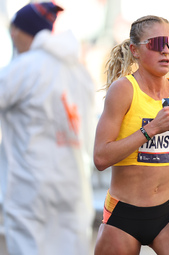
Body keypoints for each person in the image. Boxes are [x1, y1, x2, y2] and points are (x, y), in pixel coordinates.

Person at [93, 15, 169, 255]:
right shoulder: (124, 91)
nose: (166, 51)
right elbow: (101, 158)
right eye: (158, 44)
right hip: (123, 214)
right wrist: (150, 130)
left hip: (168, 213)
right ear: (135, 51)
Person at [0, 2, 95, 255]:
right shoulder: (80, 74)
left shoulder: (23, 68)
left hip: (29, 185)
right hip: (73, 185)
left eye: (13, 30)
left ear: (22, 32)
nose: (12, 36)